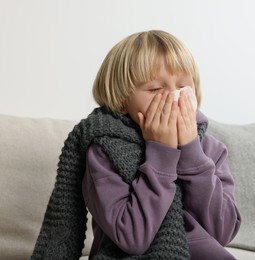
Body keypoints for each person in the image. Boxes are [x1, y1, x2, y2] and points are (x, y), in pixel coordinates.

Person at [31, 30, 241, 260]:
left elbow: (223, 232)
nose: (172, 96)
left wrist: (191, 151)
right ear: (122, 100)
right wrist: (162, 153)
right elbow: (132, 239)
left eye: (183, 86)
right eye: (155, 89)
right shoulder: (105, 151)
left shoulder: (211, 150)